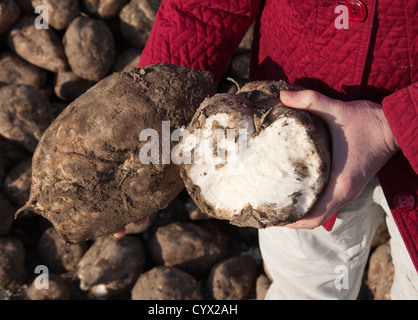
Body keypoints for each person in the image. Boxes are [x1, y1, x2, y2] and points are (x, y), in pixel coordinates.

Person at [111, 0, 418, 299]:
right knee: (306, 281)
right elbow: (206, 7)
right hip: (287, 152)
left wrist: (394, 124)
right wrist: (154, 112)